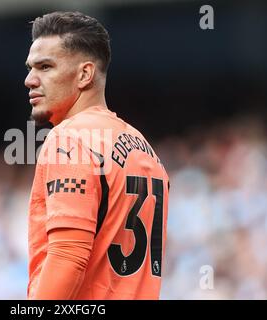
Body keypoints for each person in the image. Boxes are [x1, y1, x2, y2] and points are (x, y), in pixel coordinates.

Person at [25, 11, 170, 299]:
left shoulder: (70, 138)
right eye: (30, 68)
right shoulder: (145, 150)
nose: (30, 79)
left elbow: (68, 255)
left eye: (45, 67)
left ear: (84, 74)